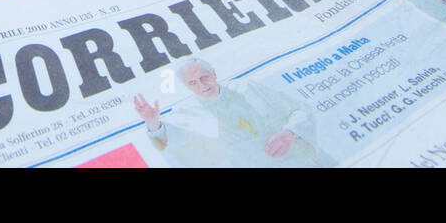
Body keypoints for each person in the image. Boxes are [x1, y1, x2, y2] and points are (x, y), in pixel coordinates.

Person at [132, 59, 334, 168]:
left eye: (204, 77)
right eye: (193, 83)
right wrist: (152, 123)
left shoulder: (247, 88)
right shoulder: (187, 112)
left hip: (302, 161)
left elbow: (301, 110)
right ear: (186, 86)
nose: (202, 86)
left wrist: (290, 133)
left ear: (214, 74)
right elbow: (166, 144)